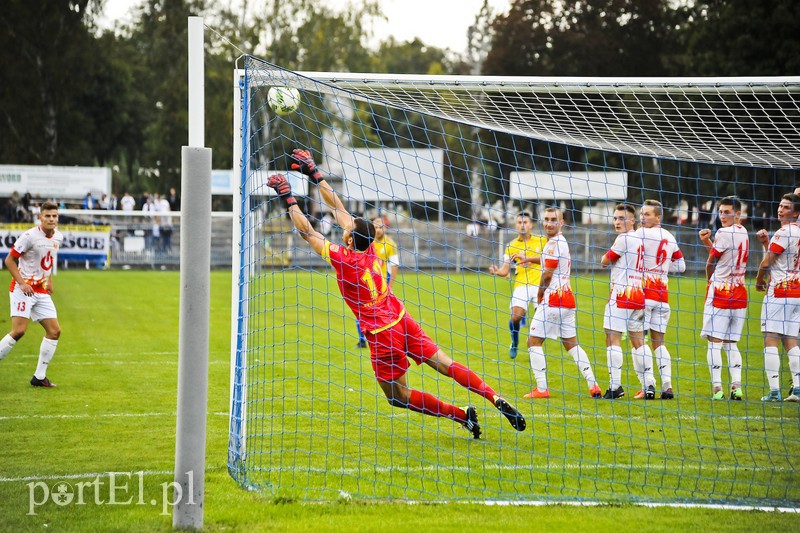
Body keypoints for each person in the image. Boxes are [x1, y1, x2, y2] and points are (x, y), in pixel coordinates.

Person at [267, 148, 526, 439]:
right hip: (402, 318)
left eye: (349, 229)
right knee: (447, 364)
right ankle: (493, 396)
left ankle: (460, 416)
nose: (345, 225)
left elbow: (307, 232)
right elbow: (338, 206)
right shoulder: (373, 248)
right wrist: (314, 172)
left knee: (397, 397)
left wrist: (287, 196)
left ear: (350, 238)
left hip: (382, 334)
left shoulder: (344, 258)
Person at [519, 206, 602, 399]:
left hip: (553, 299)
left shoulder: (553, 244)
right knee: (571, 344)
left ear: (561, 223)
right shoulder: (560, 242)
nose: (548, 223)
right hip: (568, 300)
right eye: (546, 219)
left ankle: (541, 389)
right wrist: (529, 259)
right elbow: (547, 261)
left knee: (533, 341)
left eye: (553, 220)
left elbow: (547, 274)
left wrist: (540, 294)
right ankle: (593, 384)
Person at [0, 202, 63, 387]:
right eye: (48, 216)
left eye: (54, 216)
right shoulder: (29, 236)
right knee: (19, 331)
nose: (51, 219)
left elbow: (48, 260)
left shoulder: (58, 236)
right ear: (40, 217)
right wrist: (22, 282)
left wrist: (49, 279)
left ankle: (39, 377)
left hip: (40, 290)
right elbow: (10, 260)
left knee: (54, 331)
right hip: (23, 290)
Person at [632, 199, 686, 400]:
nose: (642, 217)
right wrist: (661, 268)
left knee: (637, 341)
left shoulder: (640, 234)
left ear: (658, 217)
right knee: (659, 343)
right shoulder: (670, 236)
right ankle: (667, 386)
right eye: (641, 214)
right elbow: (681, 266)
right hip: (663, 297)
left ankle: (648, 385)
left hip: (643, 295)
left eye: (647, 214)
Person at [698, 197, 749, 400]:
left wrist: (710, 279)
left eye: (727, 212)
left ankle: (717, 388)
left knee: (714, 342)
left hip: (720, 292)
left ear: (738, 214)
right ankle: (736, 386)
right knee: (731, 343)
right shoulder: (743, 231)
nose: (723, 216)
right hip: (739, 293)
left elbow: (711, 262)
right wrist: (708, 243)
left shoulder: (723, 232)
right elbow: (723, 255)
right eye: (720, 212)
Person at [755, 193, 800, 402]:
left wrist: (758, 280)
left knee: (770, 339)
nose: (781, 209)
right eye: (780, 205)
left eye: (786, 207)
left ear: (796, 212)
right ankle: (797, 389)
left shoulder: (784, 232)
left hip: (779, 291)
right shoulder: (798, 232)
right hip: (797, 292)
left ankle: (774, 391)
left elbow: (767, 263)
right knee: (790, 340)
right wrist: (766, 242)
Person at [600, 203, 645, 400]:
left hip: (621, 293)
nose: (617, 222)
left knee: (612, 337)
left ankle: (615, 386)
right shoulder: (639, 237)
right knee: (638, 341)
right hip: (638, 292)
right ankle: (649, 384)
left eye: (622, 218)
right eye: (616, 218)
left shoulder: (623, 238)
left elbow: (605, 260)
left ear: (632, 220)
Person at [488, 212, 547, 359]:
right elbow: (505, 270)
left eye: (525, 222)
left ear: (531, 224)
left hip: (539, 284)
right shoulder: (511, 246)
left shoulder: (542, 241)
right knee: (515, 317)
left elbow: (549, 260)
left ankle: (535, 346)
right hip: (521, 284)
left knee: (542, 320)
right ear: (516, 225)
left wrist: (531, 260)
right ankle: (514, 342)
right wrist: (497, 271)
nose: (522, 225)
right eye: (519, 222)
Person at [355, 216, 400, 348]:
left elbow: (394, 265)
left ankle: (384, 338)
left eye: (381, 227)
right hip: (365, 281)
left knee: (381, 312)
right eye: (376, 227)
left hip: (381, 282)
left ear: (385, 228)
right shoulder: (367, 242)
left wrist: (390, 285)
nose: (378, 230)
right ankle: (362, 339)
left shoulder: (390, 244)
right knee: (361, 309)